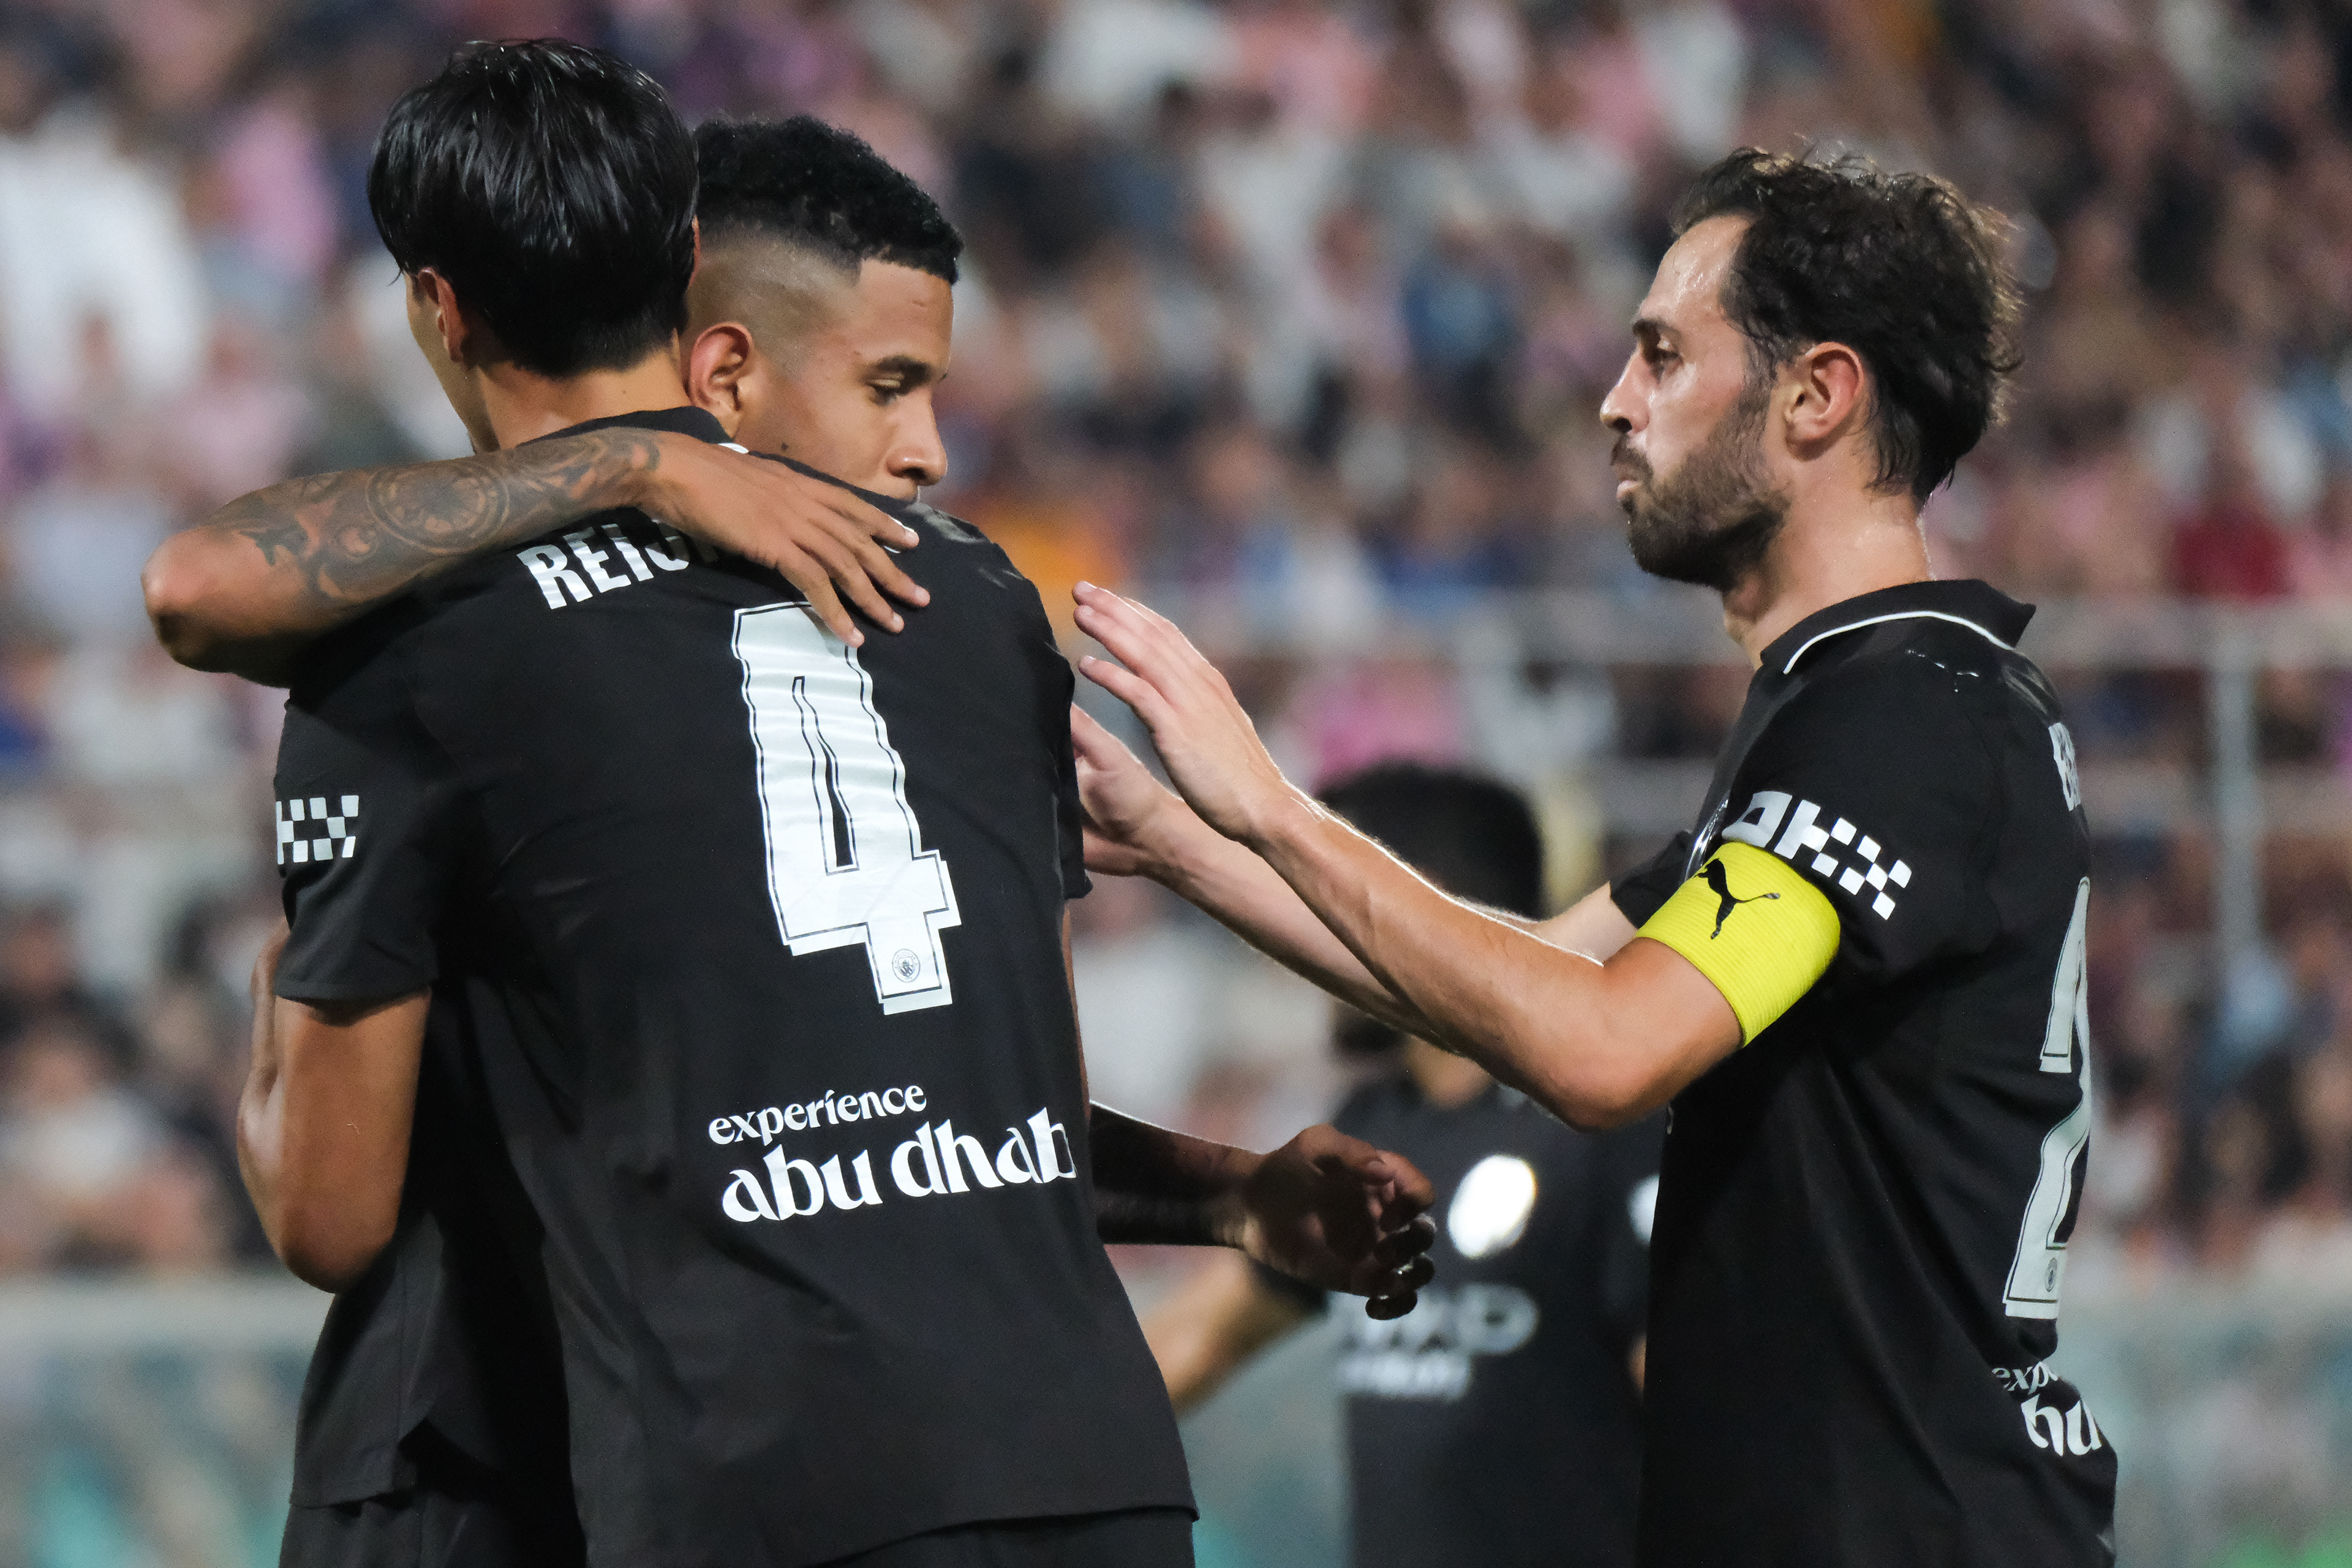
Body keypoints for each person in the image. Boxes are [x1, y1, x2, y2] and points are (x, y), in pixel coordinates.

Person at [227, 47, 1432, 1568]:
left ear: (435, 308)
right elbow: (983, 1102)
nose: (926, 447)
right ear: (696, 326)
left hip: (638, 1466)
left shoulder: (409, 653)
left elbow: (327, 1213)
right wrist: (1230, 1193)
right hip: (1079, 1463)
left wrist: (278, 1003)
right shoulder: (976, 596)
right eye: (893, 385)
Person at [1069, 149, 2116, 1567]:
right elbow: (1510, 982)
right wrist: (1181, 838)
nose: (1617, 402)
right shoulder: (1864, 708)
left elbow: (1604, 1051)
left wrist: (1274, 807)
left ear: (1818, 395)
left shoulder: (1899, 715)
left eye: (1665, 356)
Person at [1144, 763, 1660, 1568]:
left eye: (1319, 899)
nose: (1295, 942)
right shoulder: (1374, 1132)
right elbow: (1195, 1342)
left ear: (1412, 901)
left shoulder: (1604, 1126)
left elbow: (1701, 1425)